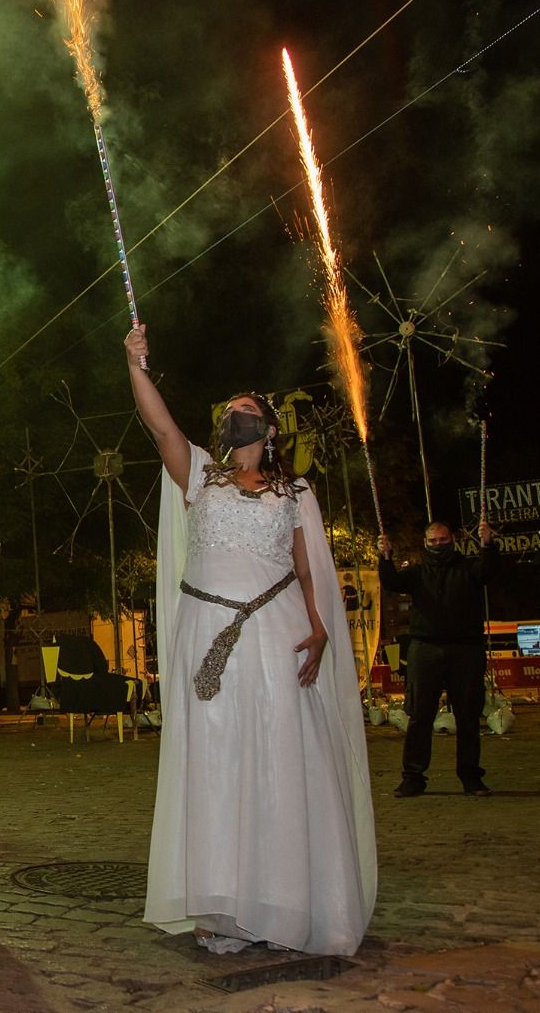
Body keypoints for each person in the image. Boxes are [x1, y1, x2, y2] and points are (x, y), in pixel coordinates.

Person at [125, 327, 376, 956]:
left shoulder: (295, 493)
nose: (238, 414)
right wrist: (136, 364)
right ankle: (221, 904)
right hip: (208, 633)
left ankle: (287, 901)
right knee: (215, 760)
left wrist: (318, 629)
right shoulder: (201, 478)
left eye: (250, 410)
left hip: (277, 633)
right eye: (230, 410)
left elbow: (310, 568)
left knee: (280, 757)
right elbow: (159, 429)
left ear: (269, 432)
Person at [378, 520, 499, 798]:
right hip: (426, 649)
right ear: (425, 543)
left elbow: (489, 570)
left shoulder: (469, 568)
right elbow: (392, 582)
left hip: (465, 649)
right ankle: (413, 777)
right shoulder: (418, 573)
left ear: (453, 540)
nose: (438, 545)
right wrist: (385, 556)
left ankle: (471, 777)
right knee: (420, 716)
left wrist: (487, 544)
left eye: (443, 540)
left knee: (468, 716)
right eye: (433, 541)